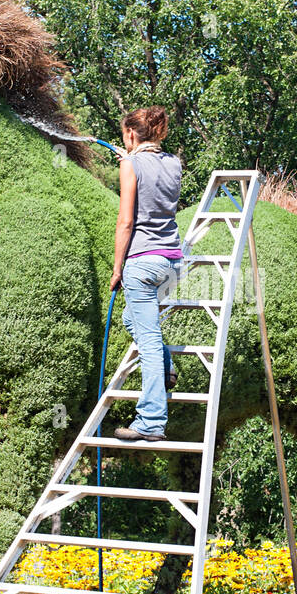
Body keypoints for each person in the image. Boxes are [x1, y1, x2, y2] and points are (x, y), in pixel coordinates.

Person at [109, 106, 183, 442]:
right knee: (132, 321)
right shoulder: (173, 163)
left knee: (149, 342)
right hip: (170, 263)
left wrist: (117, 268)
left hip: (141, 262)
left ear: (130, 134)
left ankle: (151, 420)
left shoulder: (130, 164)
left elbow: (126, 221)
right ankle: (166, 368)